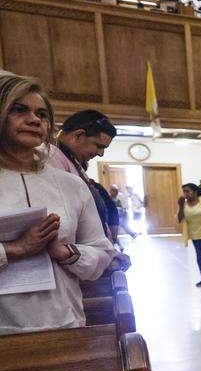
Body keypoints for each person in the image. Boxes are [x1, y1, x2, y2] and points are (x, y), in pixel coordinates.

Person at [0, 74, 115, 334]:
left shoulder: (69, 184)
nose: (33, 119)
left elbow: (101, 251)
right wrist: (15, 249)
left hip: (64, 322)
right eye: (19, 110)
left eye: (41, 114)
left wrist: (67, 253)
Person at [48, 110, 130, 267]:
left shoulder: (70, 160)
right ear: (78, 135)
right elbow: (65, 222)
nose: (100, 154)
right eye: (99, 146)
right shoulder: (52, 158)